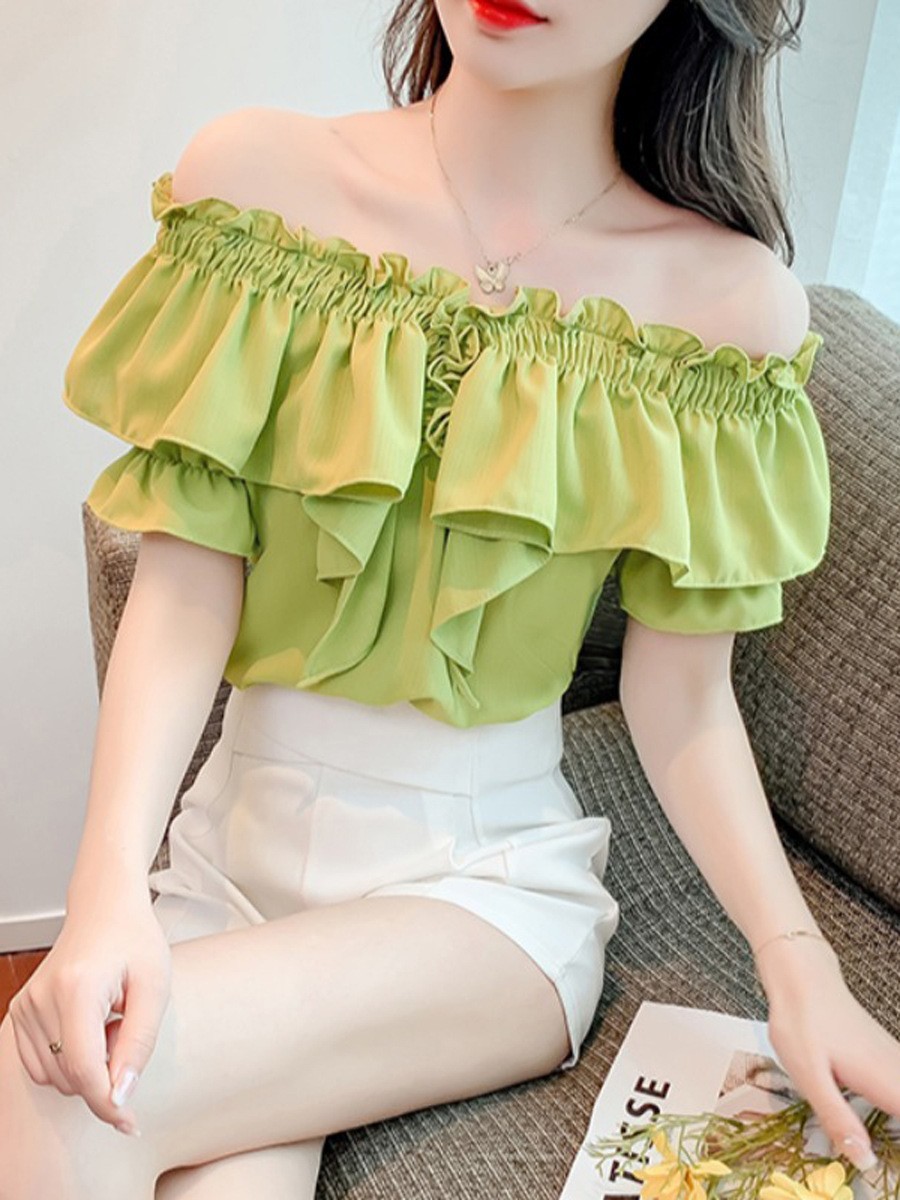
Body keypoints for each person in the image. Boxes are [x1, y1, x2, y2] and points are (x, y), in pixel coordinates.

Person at [3, 0, 899, 1195]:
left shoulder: (722, 310)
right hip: (222, 868)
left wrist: (800, 963)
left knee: (62, 1088)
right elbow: (183, 581)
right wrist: (105, 887)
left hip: (484, 899)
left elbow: (684, 700)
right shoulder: (257, 184)